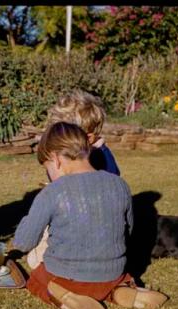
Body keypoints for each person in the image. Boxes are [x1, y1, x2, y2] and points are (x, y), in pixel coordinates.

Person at [12, 122, 168, 309]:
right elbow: (127, 231)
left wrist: (30, 216)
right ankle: (121, 292)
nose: (49, 175)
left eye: (47, 168)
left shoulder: (53, 191)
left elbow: (23, 242)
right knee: (111, 282)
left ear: (56, 159)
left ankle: (64, 296)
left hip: (67, 277)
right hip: (113, 275)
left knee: (36, 280)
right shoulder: (119, 184)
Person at [27, 89, 121, 269]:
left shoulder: (99, 157)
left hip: (90, 224)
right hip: (76, 219)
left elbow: (110, 189)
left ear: (88, 137)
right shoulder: (63, 156)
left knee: (36, 261)